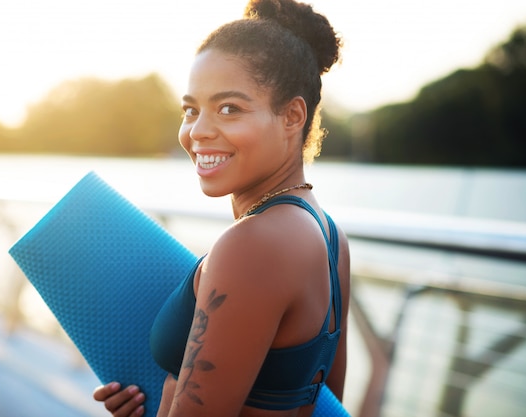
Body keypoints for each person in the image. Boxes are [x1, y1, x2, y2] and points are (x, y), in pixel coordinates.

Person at [93, 0, 350, 415]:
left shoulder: (252, 243)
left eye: (229, 108)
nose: (198, 131)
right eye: (191, 110)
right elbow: (327, 403)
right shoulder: (327, 233)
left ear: (292, 116)